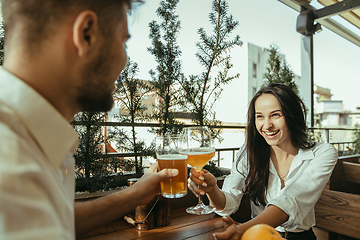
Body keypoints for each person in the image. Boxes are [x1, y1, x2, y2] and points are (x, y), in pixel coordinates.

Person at [0, 0, 179, 239]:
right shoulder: (13, 169)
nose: (124, 61)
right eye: (123, 41)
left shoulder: (24, 147)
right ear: (86, 34)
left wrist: (134, 194)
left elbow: (55, 218)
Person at [188, 83, 338, 240]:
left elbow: (291, 200)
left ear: (292, 115)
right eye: (260, 116)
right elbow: (230, 199)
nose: (267, 125)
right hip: (258, 235)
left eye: (276, 115)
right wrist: (213, 190)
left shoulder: (322, 153)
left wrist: (242, 230)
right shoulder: (248, 151)